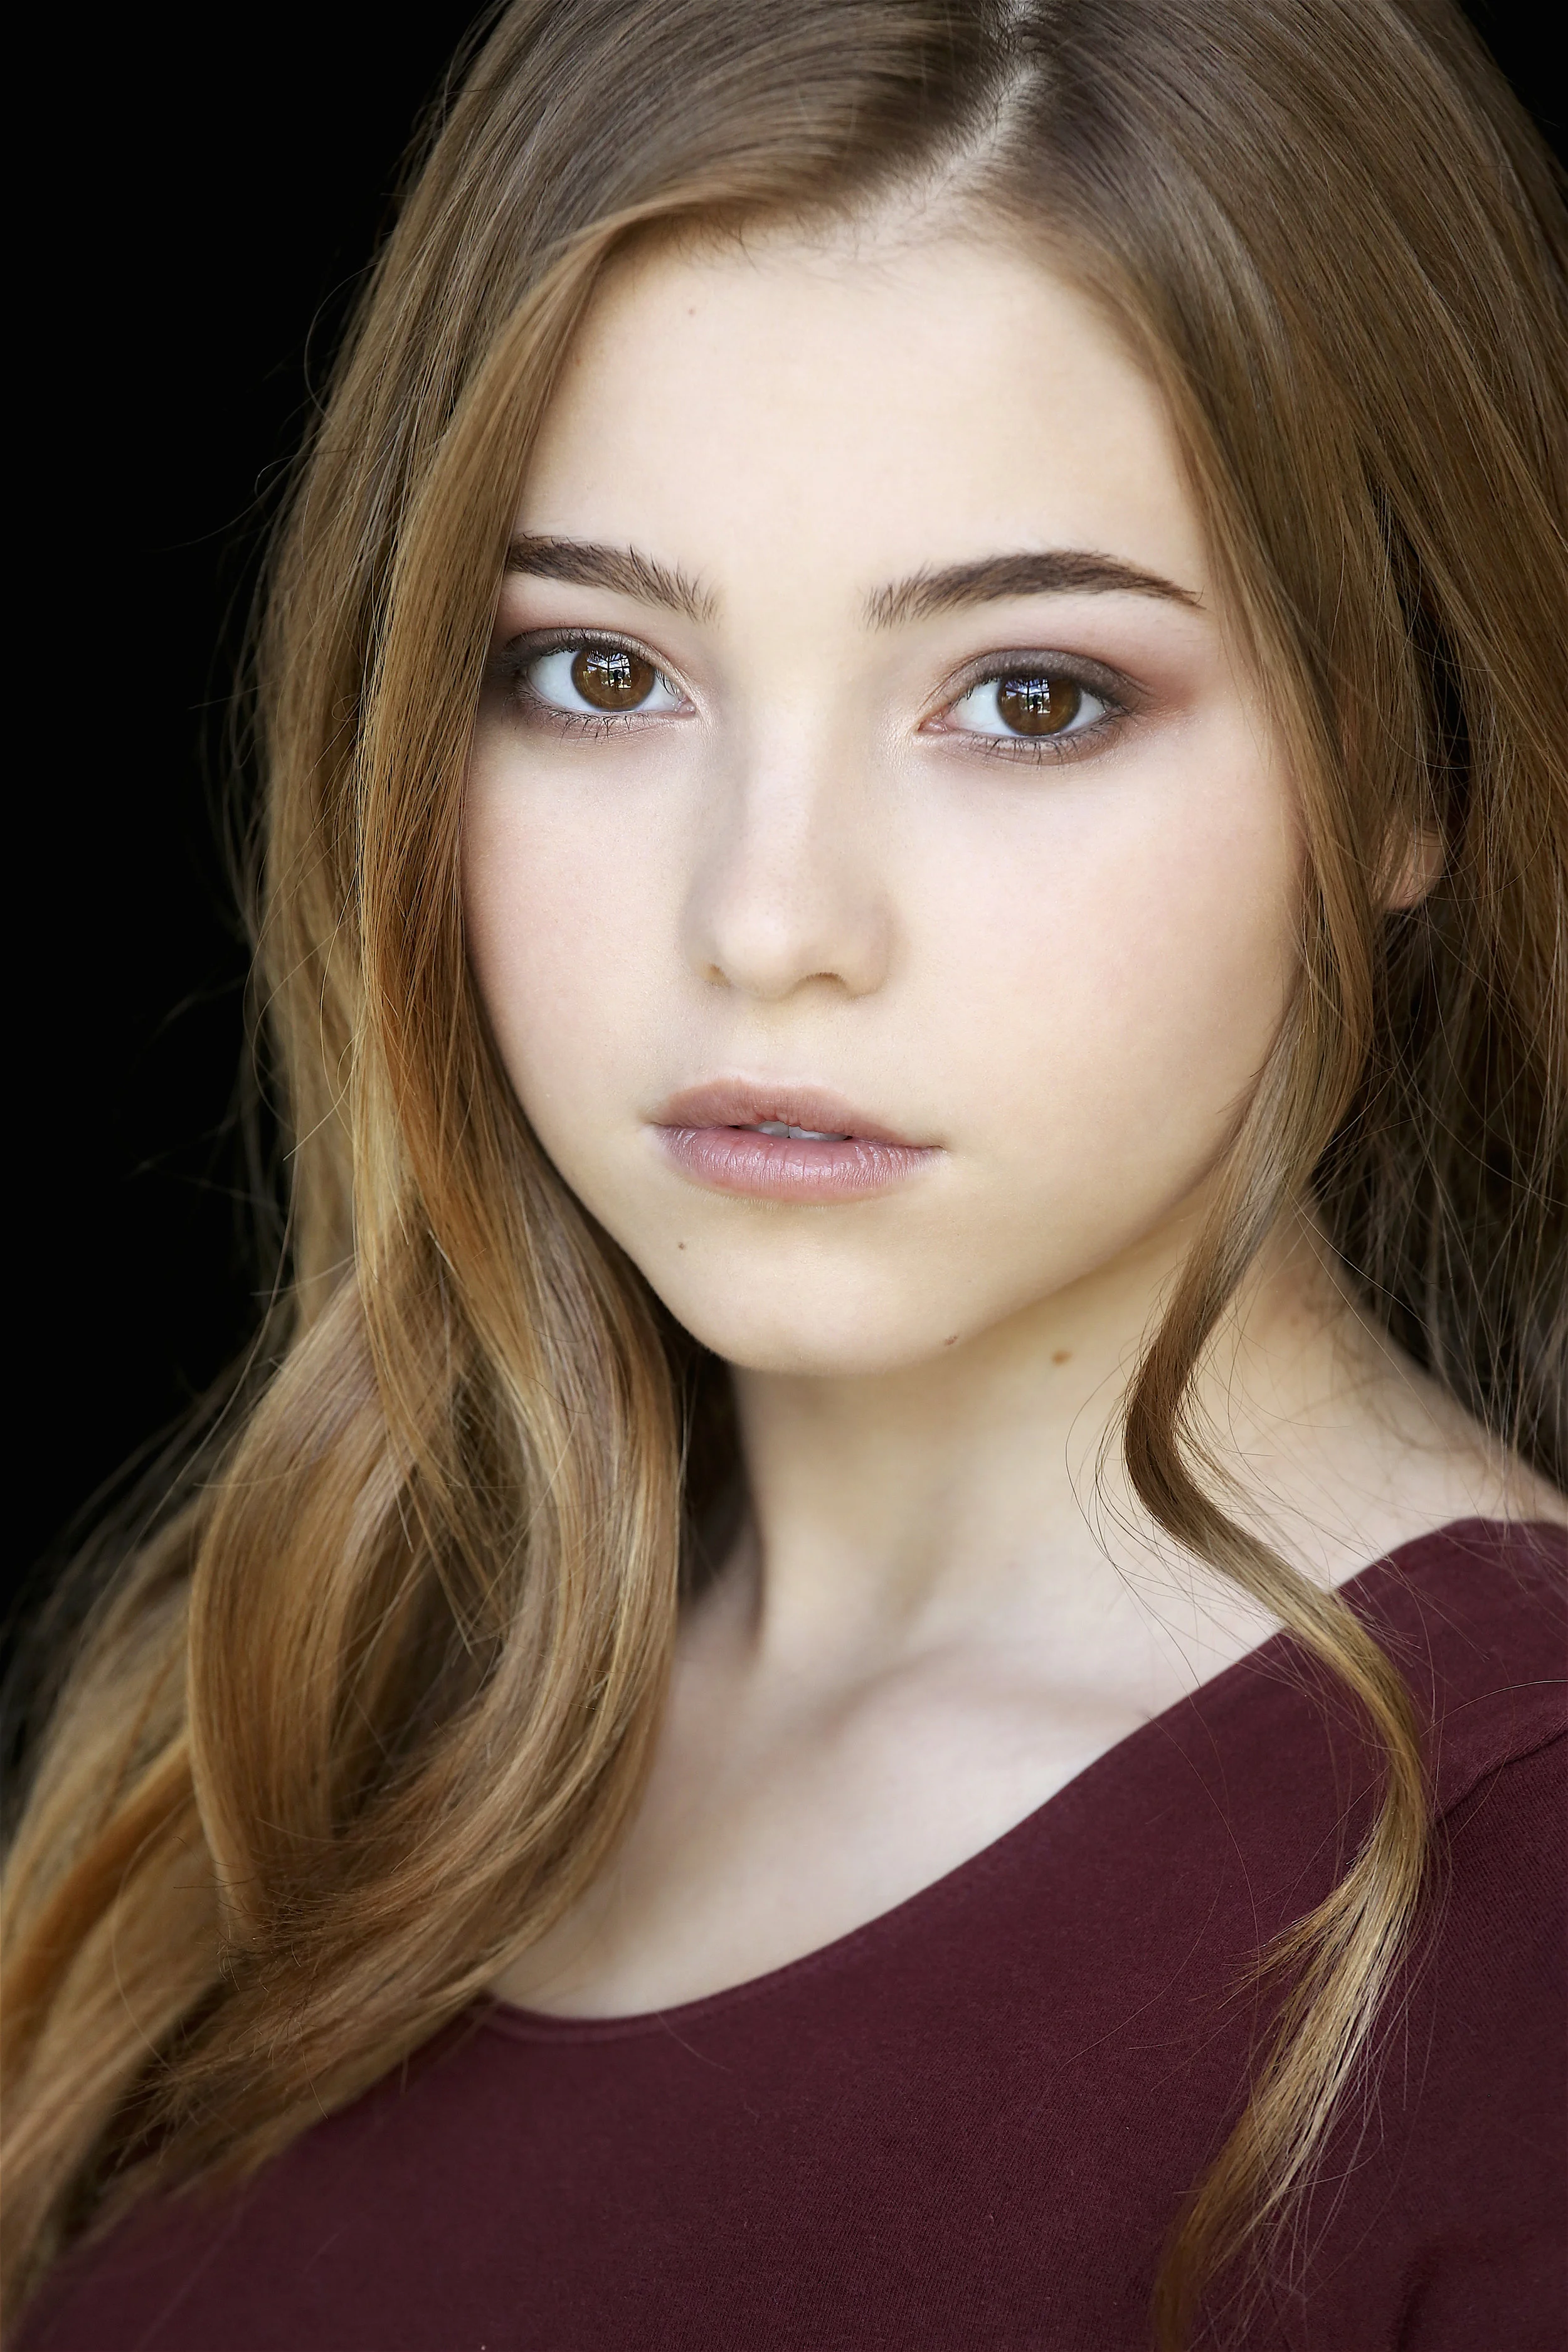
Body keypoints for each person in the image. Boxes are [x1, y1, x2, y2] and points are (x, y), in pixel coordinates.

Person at [4, 1, 1564, 2345]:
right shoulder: (315, 1713)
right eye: (596, 672)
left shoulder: (1509, 1931)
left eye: (1029, 694)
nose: (761, 923)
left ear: (1403, 768)